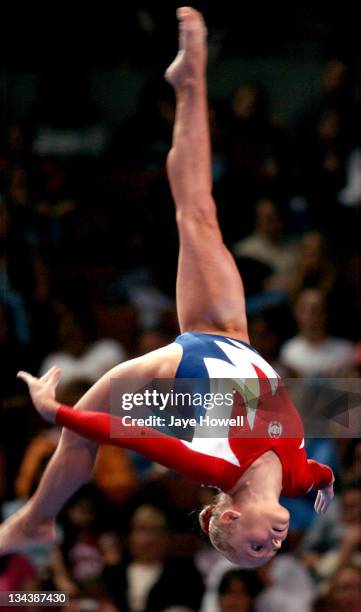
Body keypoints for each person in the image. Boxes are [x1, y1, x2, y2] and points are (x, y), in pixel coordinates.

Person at [0, 7, 334, 569]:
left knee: (86, 429)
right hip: (229, 340)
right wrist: (324, 490)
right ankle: (191, 79)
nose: (271, 545)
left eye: (253, 546)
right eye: (269, 551)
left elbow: (125, 433)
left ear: (228, 518)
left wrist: (55, 411)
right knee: (198, 208)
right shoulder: (301, 478)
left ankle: (36, 520)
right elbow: (322, 473)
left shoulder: (215, 471)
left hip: (178, 375)